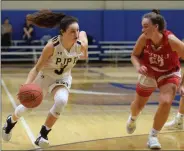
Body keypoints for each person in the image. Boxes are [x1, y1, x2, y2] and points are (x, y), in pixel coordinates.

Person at [2, 10, 88, 148]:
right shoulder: (51, 46)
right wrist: (26, 85)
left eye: (77, 31)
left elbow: (84, 52)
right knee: (26, 109)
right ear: (63, 32)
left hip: (63, 77)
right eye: (72, 31)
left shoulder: (80, 44)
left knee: (61, 100)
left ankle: (43, 134)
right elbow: (36, 68)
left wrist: (83, 41)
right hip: (45, 77)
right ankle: (10, 121)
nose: (76, 34)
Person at [126, 9, 184, 149]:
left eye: (145, 26)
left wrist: (182, 84)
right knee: (138, 105)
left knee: (165, 102)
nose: (142, 29)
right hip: (149, 73)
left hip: (169, 74)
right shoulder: (143, 38)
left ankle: (153, 136)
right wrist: (138, 67)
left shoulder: (172, 41)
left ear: (156, 27)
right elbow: (134, 55)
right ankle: (133, 118)